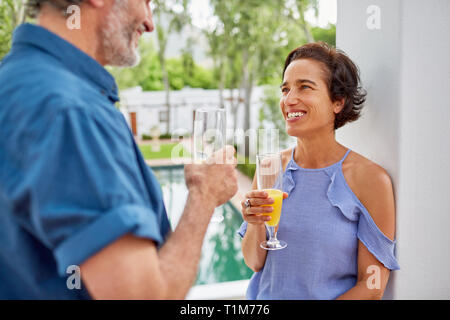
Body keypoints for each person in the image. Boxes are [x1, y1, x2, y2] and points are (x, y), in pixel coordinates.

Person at [0, 0, 238, 299]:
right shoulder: (73, 112)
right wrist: (204, 195)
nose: (150, 23)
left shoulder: (15, 81)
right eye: (147, 2)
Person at [238, 42, 400, 300]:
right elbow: (254, 262)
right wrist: (254, 222)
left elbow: (372, 285)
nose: (289, 99)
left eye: (305, 87)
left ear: (337, 101)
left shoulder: (370, 179)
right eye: (285, 89)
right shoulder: (270, 167)